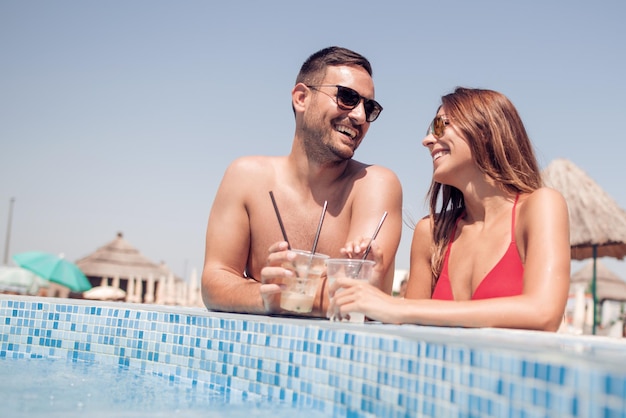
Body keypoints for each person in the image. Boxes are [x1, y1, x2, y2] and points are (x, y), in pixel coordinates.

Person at [328, 87, 571, 331]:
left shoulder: (540, 207)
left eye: (440, 126)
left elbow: (544, 313)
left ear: (484, 131)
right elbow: (412, 333)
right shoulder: (431, 233)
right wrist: (375, 284)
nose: (427, 140)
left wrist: (398, 307)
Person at [201, 46, 403, 317]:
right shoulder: (246, 177)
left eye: (369, 107)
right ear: (301, 98)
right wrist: (265, 297)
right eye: (347, 97)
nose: (359, 116)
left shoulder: (374, 184)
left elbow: (357, 293)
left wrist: (279, 295)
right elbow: (214, 282)